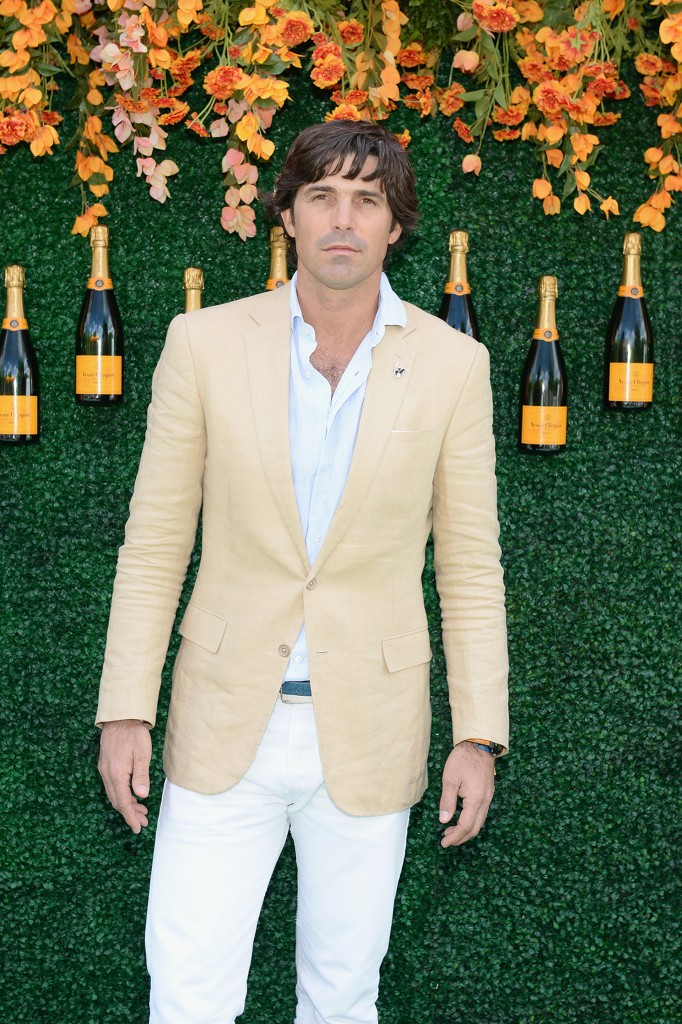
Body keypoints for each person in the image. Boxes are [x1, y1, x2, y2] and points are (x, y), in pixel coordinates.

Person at [96, 120, 509, 1024]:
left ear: (396, 226)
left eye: (367, 200)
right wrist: (125, 707)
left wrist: (479, 736)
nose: (343, 219)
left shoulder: (454, 366)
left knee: (342, 999)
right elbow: (155, 543)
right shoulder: (204, 343)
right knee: (187, 996)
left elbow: (471, 567)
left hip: (371, 729)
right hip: (219, 725)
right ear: (287, 214)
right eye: (322, 196)